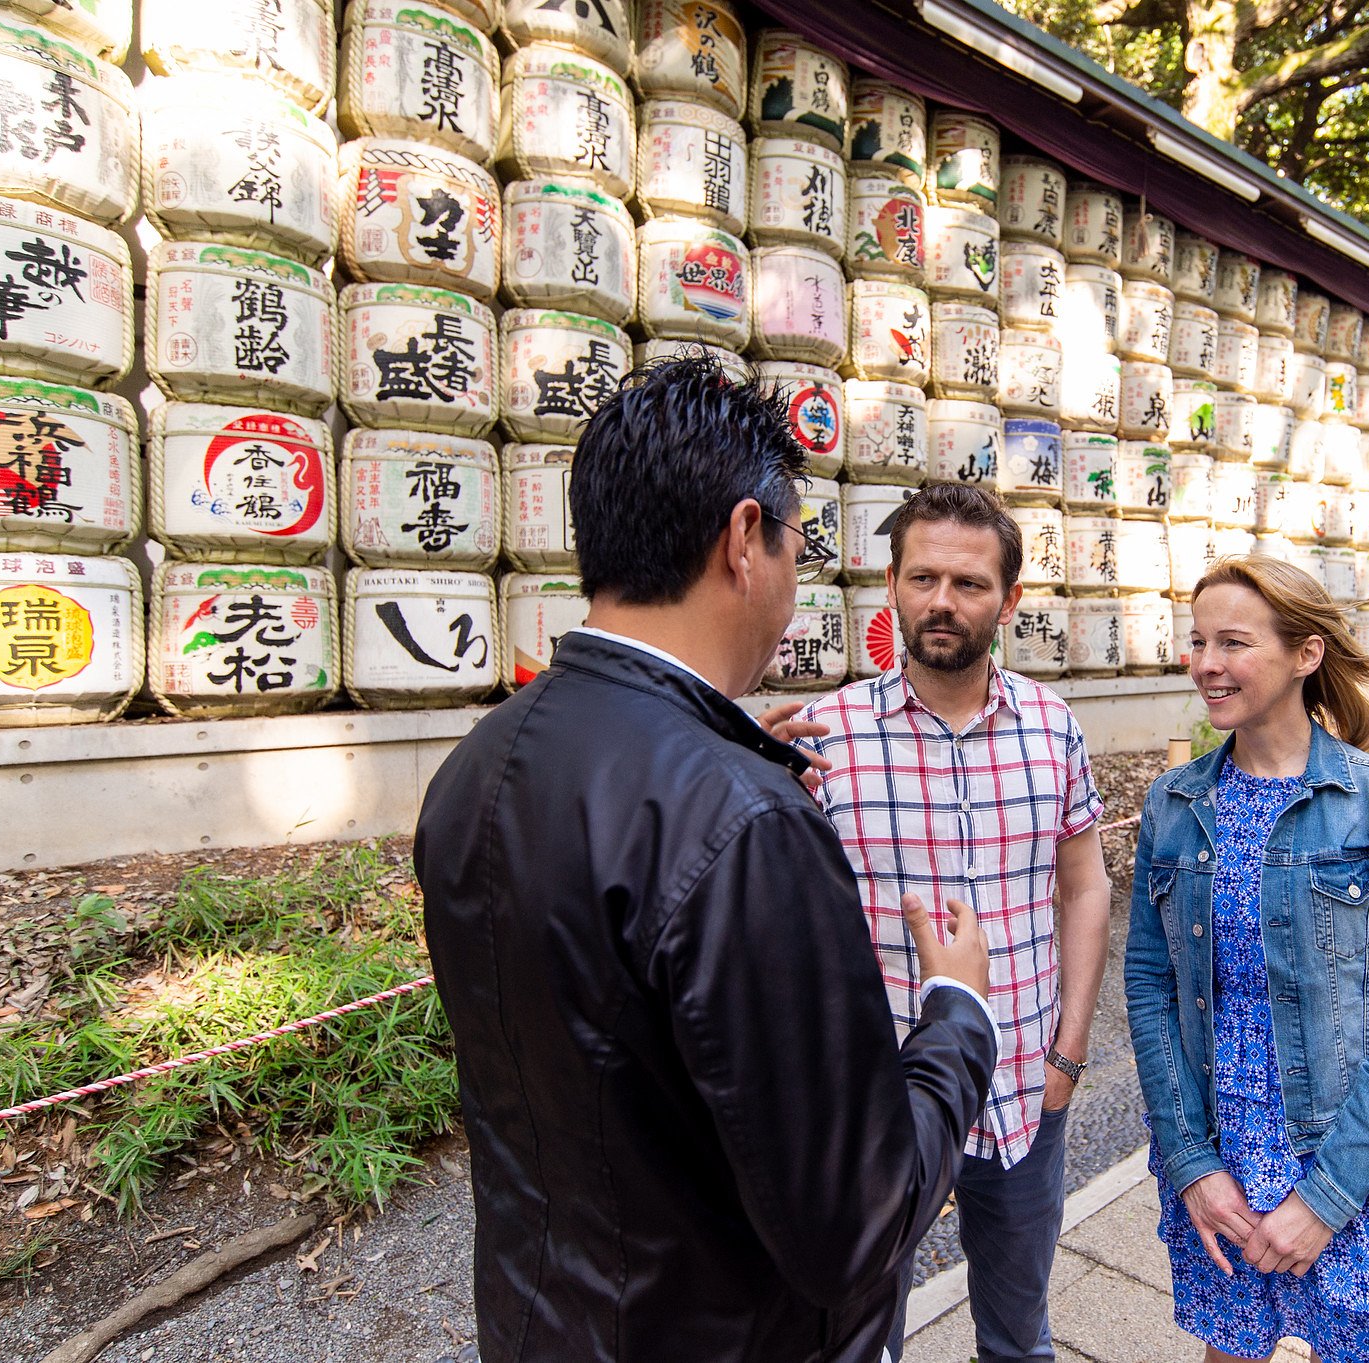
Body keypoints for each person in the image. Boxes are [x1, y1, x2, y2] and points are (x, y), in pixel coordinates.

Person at [414, 355, 999, 1363]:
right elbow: (853, 1221)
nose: (792, 577)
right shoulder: (739, 818)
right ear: (742, 539)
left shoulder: (480, 760)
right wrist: (958, 1009)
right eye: (794, 543)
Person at [1125, 555, 1369, 1363]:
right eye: (1197, 641)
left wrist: (1326, 1198)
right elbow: (1152, 989)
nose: (1206, 663)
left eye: (1233, 641)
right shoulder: (1174, 804)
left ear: (1306, 654)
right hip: (1222, 1157)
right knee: (1232, 1346)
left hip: (1353, 1154)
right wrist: (1192, 1162)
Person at [796, 484, 1113, 1363]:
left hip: (1021, 1086)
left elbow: (1085, 887)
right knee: (857, 1337)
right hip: (874, 1099)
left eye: (970, 583)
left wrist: (1067, 1052)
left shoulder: (1052, 726)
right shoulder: (828, 737)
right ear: (890, 585)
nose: (943, 601)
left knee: (1018, 1335)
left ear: (1009, 601)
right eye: (923, 577)